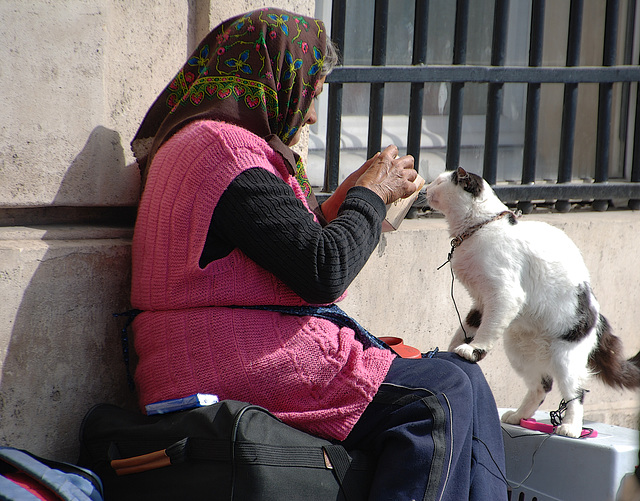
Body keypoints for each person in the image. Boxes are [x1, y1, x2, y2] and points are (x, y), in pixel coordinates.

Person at [129, 7, 507, 500]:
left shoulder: (215, 146)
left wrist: (352, 197)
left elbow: (283, 251)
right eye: (311, 94)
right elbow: (322, 270)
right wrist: (369, 196)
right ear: (273, 76)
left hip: (239, 348)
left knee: (464, 376)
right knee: (439, 395)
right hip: (223, 359)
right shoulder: (219, 150)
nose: (309, 115)